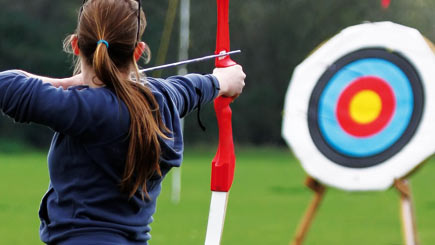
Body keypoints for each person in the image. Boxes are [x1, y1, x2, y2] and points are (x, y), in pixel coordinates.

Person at [0, 0, 245, 244]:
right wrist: (222, 79)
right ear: (138, 51)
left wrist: (66, 82)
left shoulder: (85, 108)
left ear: (76, 45)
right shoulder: (162, 99)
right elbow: (195, 87)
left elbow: (7, 84)